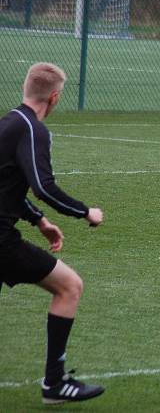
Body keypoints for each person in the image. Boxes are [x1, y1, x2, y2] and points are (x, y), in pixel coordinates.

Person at [0, 63, 106, 404]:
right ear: (55, 97)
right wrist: (86, 211)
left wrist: (38, 221)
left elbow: (7, 187)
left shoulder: (7, 123)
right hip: (1, 241)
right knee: (70, 286)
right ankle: (55, 384)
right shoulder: (32, 129)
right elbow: (43, 186)